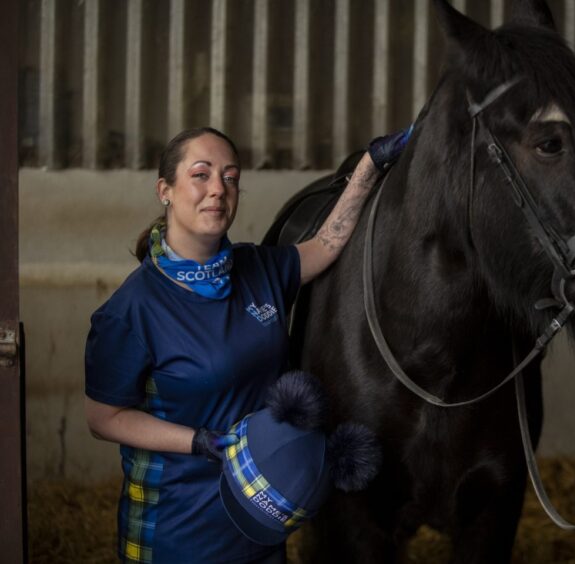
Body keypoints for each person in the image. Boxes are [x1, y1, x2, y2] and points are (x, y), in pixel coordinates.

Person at [84, 126, 409, 563]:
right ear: (165, 189)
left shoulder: (259, 268)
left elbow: (327, 244)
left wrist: (369, 167)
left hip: (261, 518)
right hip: (178, 529)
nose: (218, 189)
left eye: (231, 177)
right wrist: (200, 441)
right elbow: (104, 418)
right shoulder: (131, 310)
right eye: (201, 174)